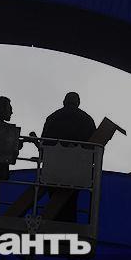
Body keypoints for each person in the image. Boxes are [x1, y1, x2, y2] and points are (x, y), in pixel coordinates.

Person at [39, 92, 96, 222]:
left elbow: (44, 143)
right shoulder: (87, 119)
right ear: (78, 103)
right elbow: (93, 146)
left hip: (53, 170)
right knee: (71, 203)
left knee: (53, 202)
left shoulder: (53, 117)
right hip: (77, 171)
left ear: (64, 101)